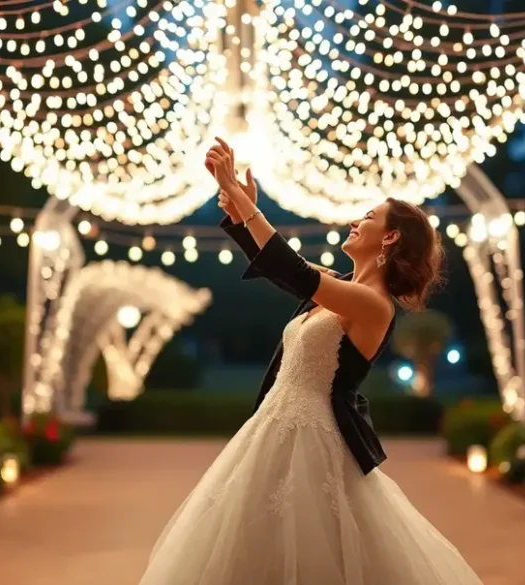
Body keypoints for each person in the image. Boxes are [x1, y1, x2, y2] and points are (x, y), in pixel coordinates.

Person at [137, 138, 483, 585]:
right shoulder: (337, 285)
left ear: (391, 237)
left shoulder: (374, 304)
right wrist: (242, 215)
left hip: (312, 440)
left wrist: (242, 200)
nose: (356, 222)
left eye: (370, 218)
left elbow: (297, 271)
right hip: (273, 426)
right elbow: (284, 270)